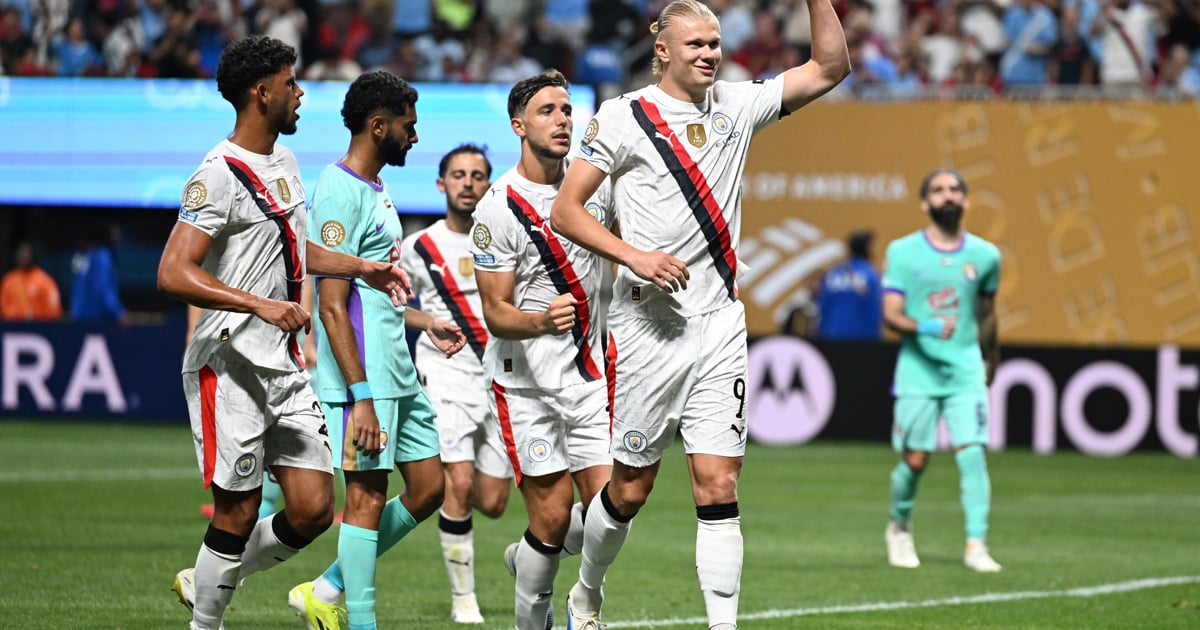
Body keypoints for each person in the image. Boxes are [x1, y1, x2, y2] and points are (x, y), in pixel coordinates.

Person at [548, 1, 850, 627]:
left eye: (715, 43)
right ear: (662, 50)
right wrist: (634, 256)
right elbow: (566, 211)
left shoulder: (739, 105)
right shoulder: (624, 116)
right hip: (647, 330)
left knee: (718, 483)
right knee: (630, 489)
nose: (711, 53)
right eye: (696, 45)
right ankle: (587, 590)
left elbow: (829, 67)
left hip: (718, 324)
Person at [156, 36, 410, 630]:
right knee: (238, 510)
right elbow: (172, 271)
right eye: (290, 83)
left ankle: (208, 577)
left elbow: (295, 251)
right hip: (231, 362)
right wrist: (259, 305)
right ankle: (206, 623)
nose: (300, 93)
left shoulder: (287, 164)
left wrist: (361, 267)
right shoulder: (217, 174)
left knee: (314, 507)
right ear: (260, 92)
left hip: (285, 363)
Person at [287, 70, 467, 630]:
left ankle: (326, 588)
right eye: (409, 126)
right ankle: (359, 620)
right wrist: (360, 396)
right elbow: (333, 306)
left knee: (430, 488)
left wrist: (422, 320)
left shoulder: (375, 187)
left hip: (398, 372)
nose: (415, 136)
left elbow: (371, 293)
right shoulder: (338, 190)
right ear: (378, 125)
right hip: (364, 381)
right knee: (365, 498)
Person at [470, 69, 614, 630]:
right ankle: (536, 614)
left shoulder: (593, 189)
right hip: (524, 386)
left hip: (588, 377)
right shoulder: (498, 207)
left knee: (615, 507)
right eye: (547, 111)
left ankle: (541, 565)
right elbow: (495, 311)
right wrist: (539, 321)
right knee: (551, 520)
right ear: (519, 126)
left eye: (567, 110)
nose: (562, 120)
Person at [399, 144, 517, 624]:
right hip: (445, 374)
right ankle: (463, 598)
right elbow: (387, 305)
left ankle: (516, 555)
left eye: (477, 175)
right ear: (441, 183)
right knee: (458, 481)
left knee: (492, 502)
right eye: (458, 174)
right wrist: (426, 321)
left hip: (499, 376)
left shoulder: (505, 240)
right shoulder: (418, 246)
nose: (467, 183)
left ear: (489, 184)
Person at [880, 168, 1003, 574]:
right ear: (924, 203)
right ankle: (899, 527)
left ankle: (976, 544)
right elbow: (890, 315)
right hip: (918, 369)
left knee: (972, 454)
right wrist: (926, 327)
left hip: (965, 369)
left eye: (954, 189)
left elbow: (987, 313)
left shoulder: (986, 256)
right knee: (915, 460)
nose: (947, 195)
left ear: (965, 200)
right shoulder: (902, 252)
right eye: (938, 190)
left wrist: (991, 359)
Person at [814, 230, 882, 340]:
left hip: (831, 337)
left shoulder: (833, 273)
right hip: (861, 340)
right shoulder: (871, 275)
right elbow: (875, 310)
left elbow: (823, 306)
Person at [69, 223, 130, 325]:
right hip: (95, 319)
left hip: (77, 315)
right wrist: (118, 312)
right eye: (115, 232)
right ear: (106, 233)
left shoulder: (80, 254)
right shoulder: (102, 256)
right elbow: (102, 288)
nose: (118, 235)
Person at [0, 240, 62, 321]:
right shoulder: (9, 280)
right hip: (12, 326)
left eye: (26, 253)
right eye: (21, 253)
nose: (24, 256)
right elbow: (3, 306)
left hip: (37, 325)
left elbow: (53, 311)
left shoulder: (44, 280)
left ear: (33, 255)